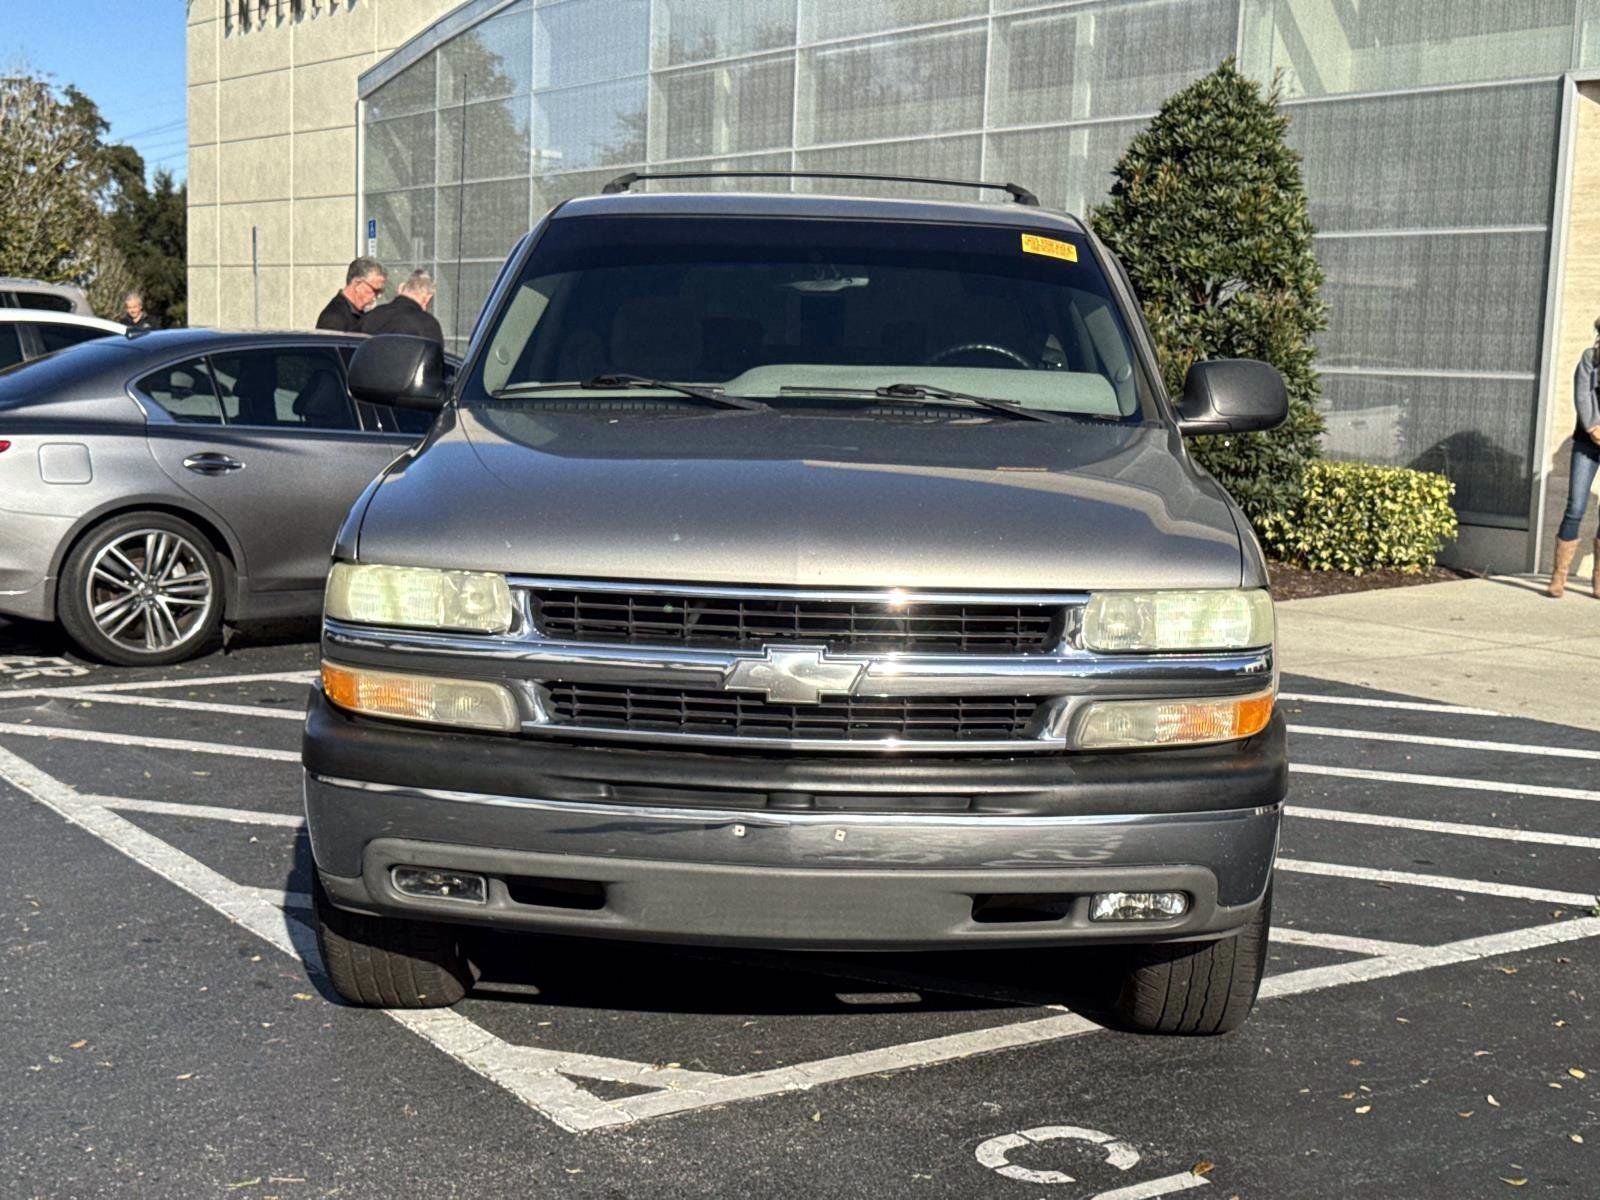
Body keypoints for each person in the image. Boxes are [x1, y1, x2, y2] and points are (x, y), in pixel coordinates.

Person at [1549, 319, 1600, 598]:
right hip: (1586, 442)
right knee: (1575, 506)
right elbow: (1582, 394)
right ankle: (1559, 577)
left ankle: (1598, 579)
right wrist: (1593, 428)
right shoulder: (1589, 358)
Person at [360, 269, 444, 345]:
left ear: (401, 288)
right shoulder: (428, 325)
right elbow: (435, 359)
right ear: (427, 298)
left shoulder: (371, 316)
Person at [315, 257, 386, 332]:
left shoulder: (359, 313)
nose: (378, 295)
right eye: (375, 290)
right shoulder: (333, 317)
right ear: (357, 283)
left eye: (381, 291)